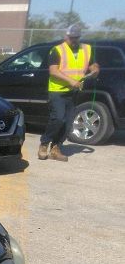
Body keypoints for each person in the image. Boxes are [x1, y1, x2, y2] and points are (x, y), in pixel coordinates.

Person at [38, 24, 100, 162]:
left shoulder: (87, 49)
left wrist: (95, 70)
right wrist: (71, 81)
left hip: (74, 91)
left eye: (75, 38)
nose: (72, 40)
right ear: (66, 36)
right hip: (57, 91)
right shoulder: (57, 50)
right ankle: (44, 143)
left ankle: (56, 148)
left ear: (79, 37)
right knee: (58, 118)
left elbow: (93, 65)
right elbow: (53, 71)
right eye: (70, 37)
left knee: (68, 123)